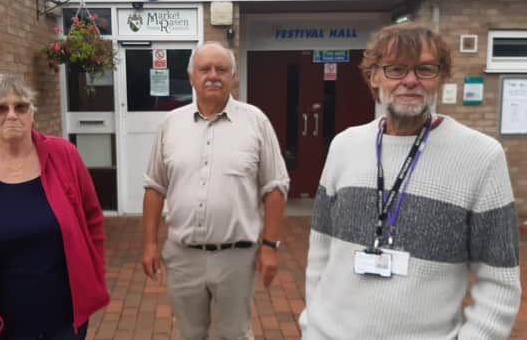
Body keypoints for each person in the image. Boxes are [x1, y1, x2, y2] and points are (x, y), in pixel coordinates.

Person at [298, 23, 521, 339]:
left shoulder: (481, 156)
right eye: (396, 69)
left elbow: (500, 280)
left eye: (425, 69)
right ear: (374, 76)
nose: (411, 81)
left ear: (441, 76)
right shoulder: (344, 145)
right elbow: (320, 248)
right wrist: (312, 324)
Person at [0, 73, 110, 340]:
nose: (11, 115)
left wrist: (94, 273)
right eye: (0, 108)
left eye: (21, 106)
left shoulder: (63, 155)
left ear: (32, 114)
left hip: (64, 314)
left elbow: (92, 218)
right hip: (4, 319)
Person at [141, 42, 290, 340]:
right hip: (183, 256)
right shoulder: (170, 124)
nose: (212, 76)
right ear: (191, 77)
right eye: (204, 69)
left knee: (233, 334)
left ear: (233, 76)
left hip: (236, 257)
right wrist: (150, 244)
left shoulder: (255, 122)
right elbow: (155, 187)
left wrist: (271, 246)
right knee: (189, 334)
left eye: (221, 70)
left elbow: (275, 187)